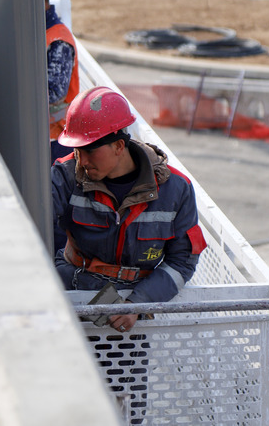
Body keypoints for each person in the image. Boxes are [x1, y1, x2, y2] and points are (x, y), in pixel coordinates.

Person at [52, 86, 207, 332]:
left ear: (119, 145)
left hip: (133, 308)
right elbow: (28, 229)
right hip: (72, 291)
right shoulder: (66, 175)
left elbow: (182, 262)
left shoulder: (175, 190)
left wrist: (138, 303)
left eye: (90, 150)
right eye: (77, 150)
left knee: (125, 372)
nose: (82, 160)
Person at [44, 0, 79, 163]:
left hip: (56, 139)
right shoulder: (39, 32)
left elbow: (54, 93)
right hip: (43, 135)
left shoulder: (58, 40)